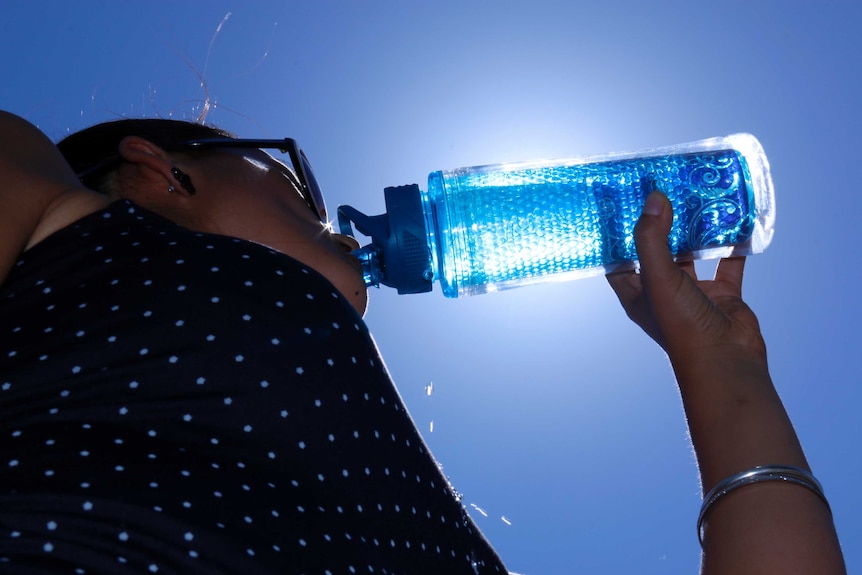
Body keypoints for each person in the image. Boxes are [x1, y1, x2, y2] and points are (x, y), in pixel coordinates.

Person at [0, 109, 846, 574]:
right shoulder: (64, 221)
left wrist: (724, 367)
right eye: (293, 176)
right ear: (160, 167)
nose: (324, 213)